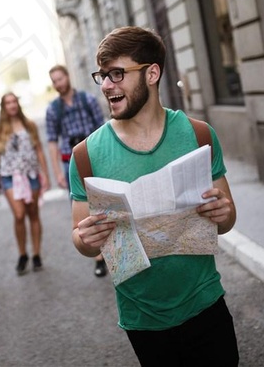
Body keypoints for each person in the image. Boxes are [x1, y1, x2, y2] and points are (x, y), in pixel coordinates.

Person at [70, 27, 239, 365]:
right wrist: (85, 238)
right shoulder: (86, 154)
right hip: (143, 318)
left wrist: (224, 214)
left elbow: (227, 220)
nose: (106, 85)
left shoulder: (198, 134)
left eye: (117, 73)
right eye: (102, 76)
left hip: (206, 303)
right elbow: (83, 242)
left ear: (151, 73)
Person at [45, 64, 108, 277]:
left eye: (60, 79)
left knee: (104, 203)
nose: (58, 84)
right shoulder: (53, 109)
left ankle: (113, 248)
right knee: (82, 210)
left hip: (94, 158)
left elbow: (104, 129)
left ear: (68, 77)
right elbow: (52, 141)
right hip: (69, 162)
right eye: (54, 81)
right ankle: (98, 257)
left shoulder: (87, 100)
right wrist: (57, 172)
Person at [0, 93, 50, 275]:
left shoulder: (29, 124)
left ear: (18, 104)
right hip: (9, 177)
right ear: (3, 106)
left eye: (14, 101)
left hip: (31, 175)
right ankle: (23, 254)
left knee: (33, 214)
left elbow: (38, 149)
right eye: (8, 102)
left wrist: (44, 174)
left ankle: (36, 254)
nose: (12, 105)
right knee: (19, 214)